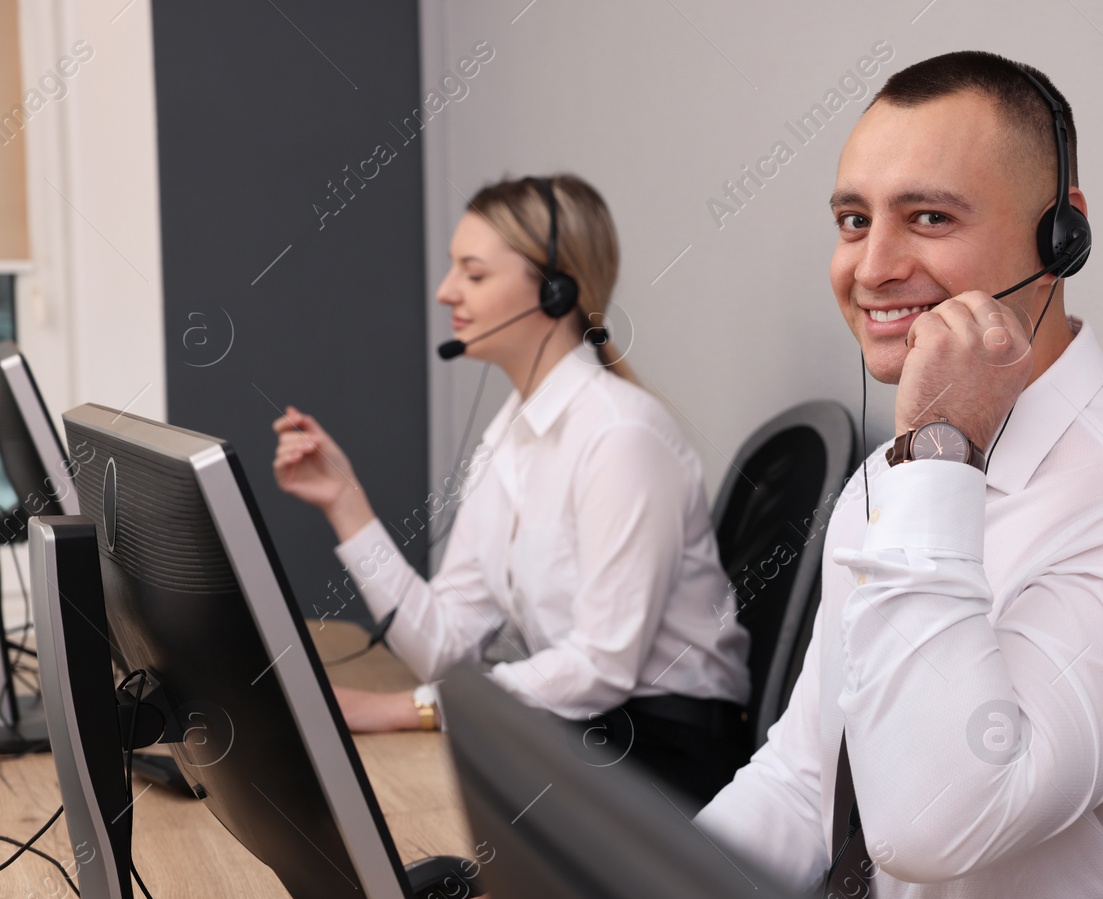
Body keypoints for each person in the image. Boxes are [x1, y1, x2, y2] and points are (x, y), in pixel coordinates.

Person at [432, 55, 1103, 899]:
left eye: (927, 217)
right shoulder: (896, 475)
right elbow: (800, 777)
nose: (870, 267)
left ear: (1062, 234)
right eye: (851, 220)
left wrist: (939, 451)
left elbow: (931, 819)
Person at [273, 174, 752, 804]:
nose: (447, 292)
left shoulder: (621, 436)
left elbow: (603, 666)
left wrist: (405, 709)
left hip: (666, 756)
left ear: (554, 292)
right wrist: (345, 503)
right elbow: (443, 646)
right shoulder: (508, 438)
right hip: (586, 729)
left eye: (473, 274)